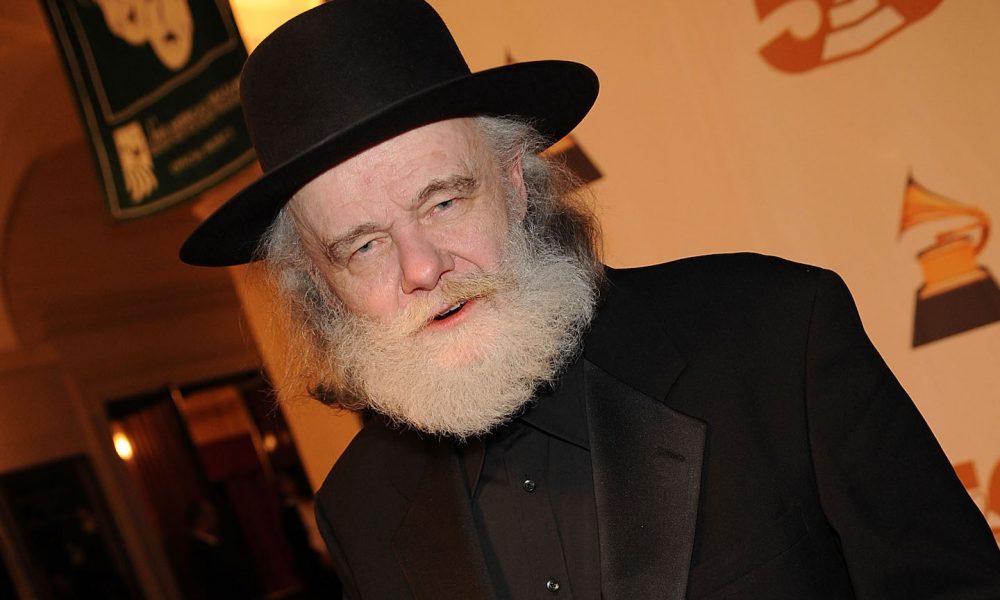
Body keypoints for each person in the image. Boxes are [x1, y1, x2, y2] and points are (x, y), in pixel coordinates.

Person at [181, 0, 1000, 597]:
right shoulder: (357, 511)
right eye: (362, 246)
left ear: (513, 184)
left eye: (443, 200)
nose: (422, 267)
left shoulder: (776, 336)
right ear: (319, 287)